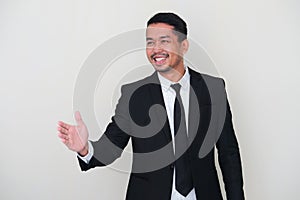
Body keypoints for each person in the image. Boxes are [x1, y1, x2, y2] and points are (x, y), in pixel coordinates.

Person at [57, 12, 245, 200]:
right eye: (150, 42)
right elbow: (112, 147)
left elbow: (229, 153)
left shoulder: (213, 88)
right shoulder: (134, 95)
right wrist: (85, 149)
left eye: (164, 41)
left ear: (184, 46)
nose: (156, 49)